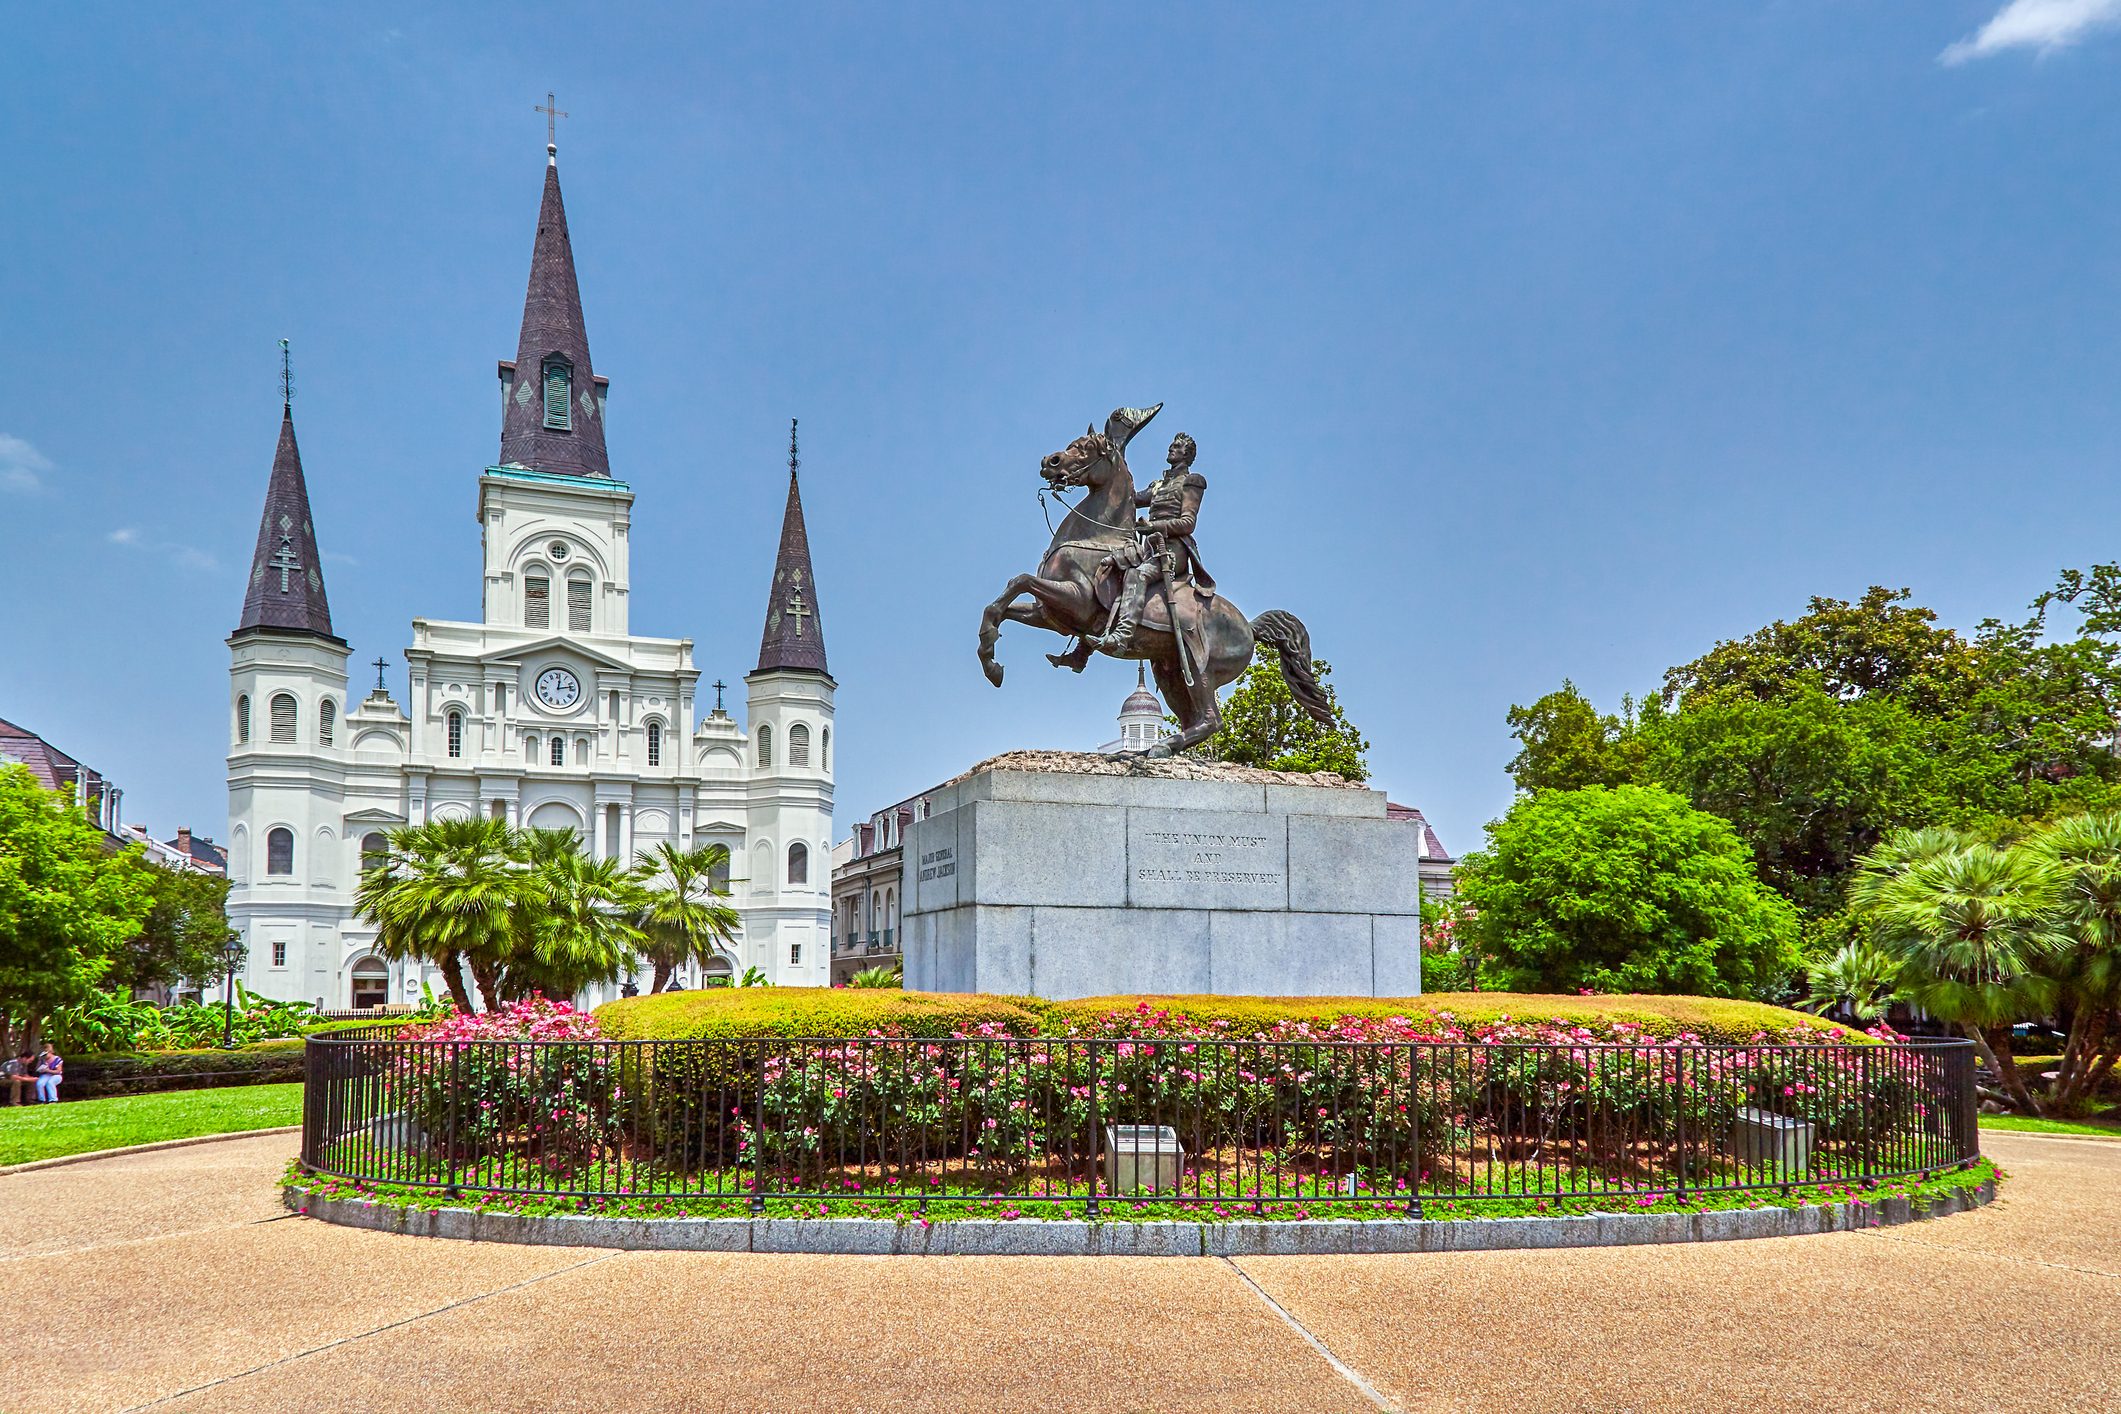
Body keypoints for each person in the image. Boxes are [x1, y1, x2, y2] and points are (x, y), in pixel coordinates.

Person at [1087, 432, 1216, 661]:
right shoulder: (1158, 485)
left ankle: (1122, 635)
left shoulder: (1192, 481)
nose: (1171, 448)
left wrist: (1153, 525)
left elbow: (1188, 523)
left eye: (1176, 446)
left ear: (1187, 454)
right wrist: (1108, 469)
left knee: (1137, 576)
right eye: (1171, 444)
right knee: (1107, 567)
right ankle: (1082, 649)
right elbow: (1128, 499)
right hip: (1150, 548)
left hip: (1173, 550)